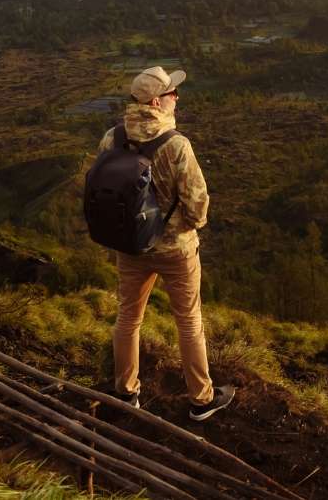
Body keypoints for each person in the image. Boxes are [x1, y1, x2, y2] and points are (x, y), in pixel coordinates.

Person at [100, 65, 235, 421]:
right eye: (172, 93)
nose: (177, 97)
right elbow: (197, 203)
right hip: (175, 249)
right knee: (189, 321)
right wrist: (185, 228)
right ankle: (201, 400)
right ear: (157, 102)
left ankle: (126, 393)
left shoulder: (112, 139)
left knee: (128, 317)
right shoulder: (176, 145)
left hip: (130, 246)